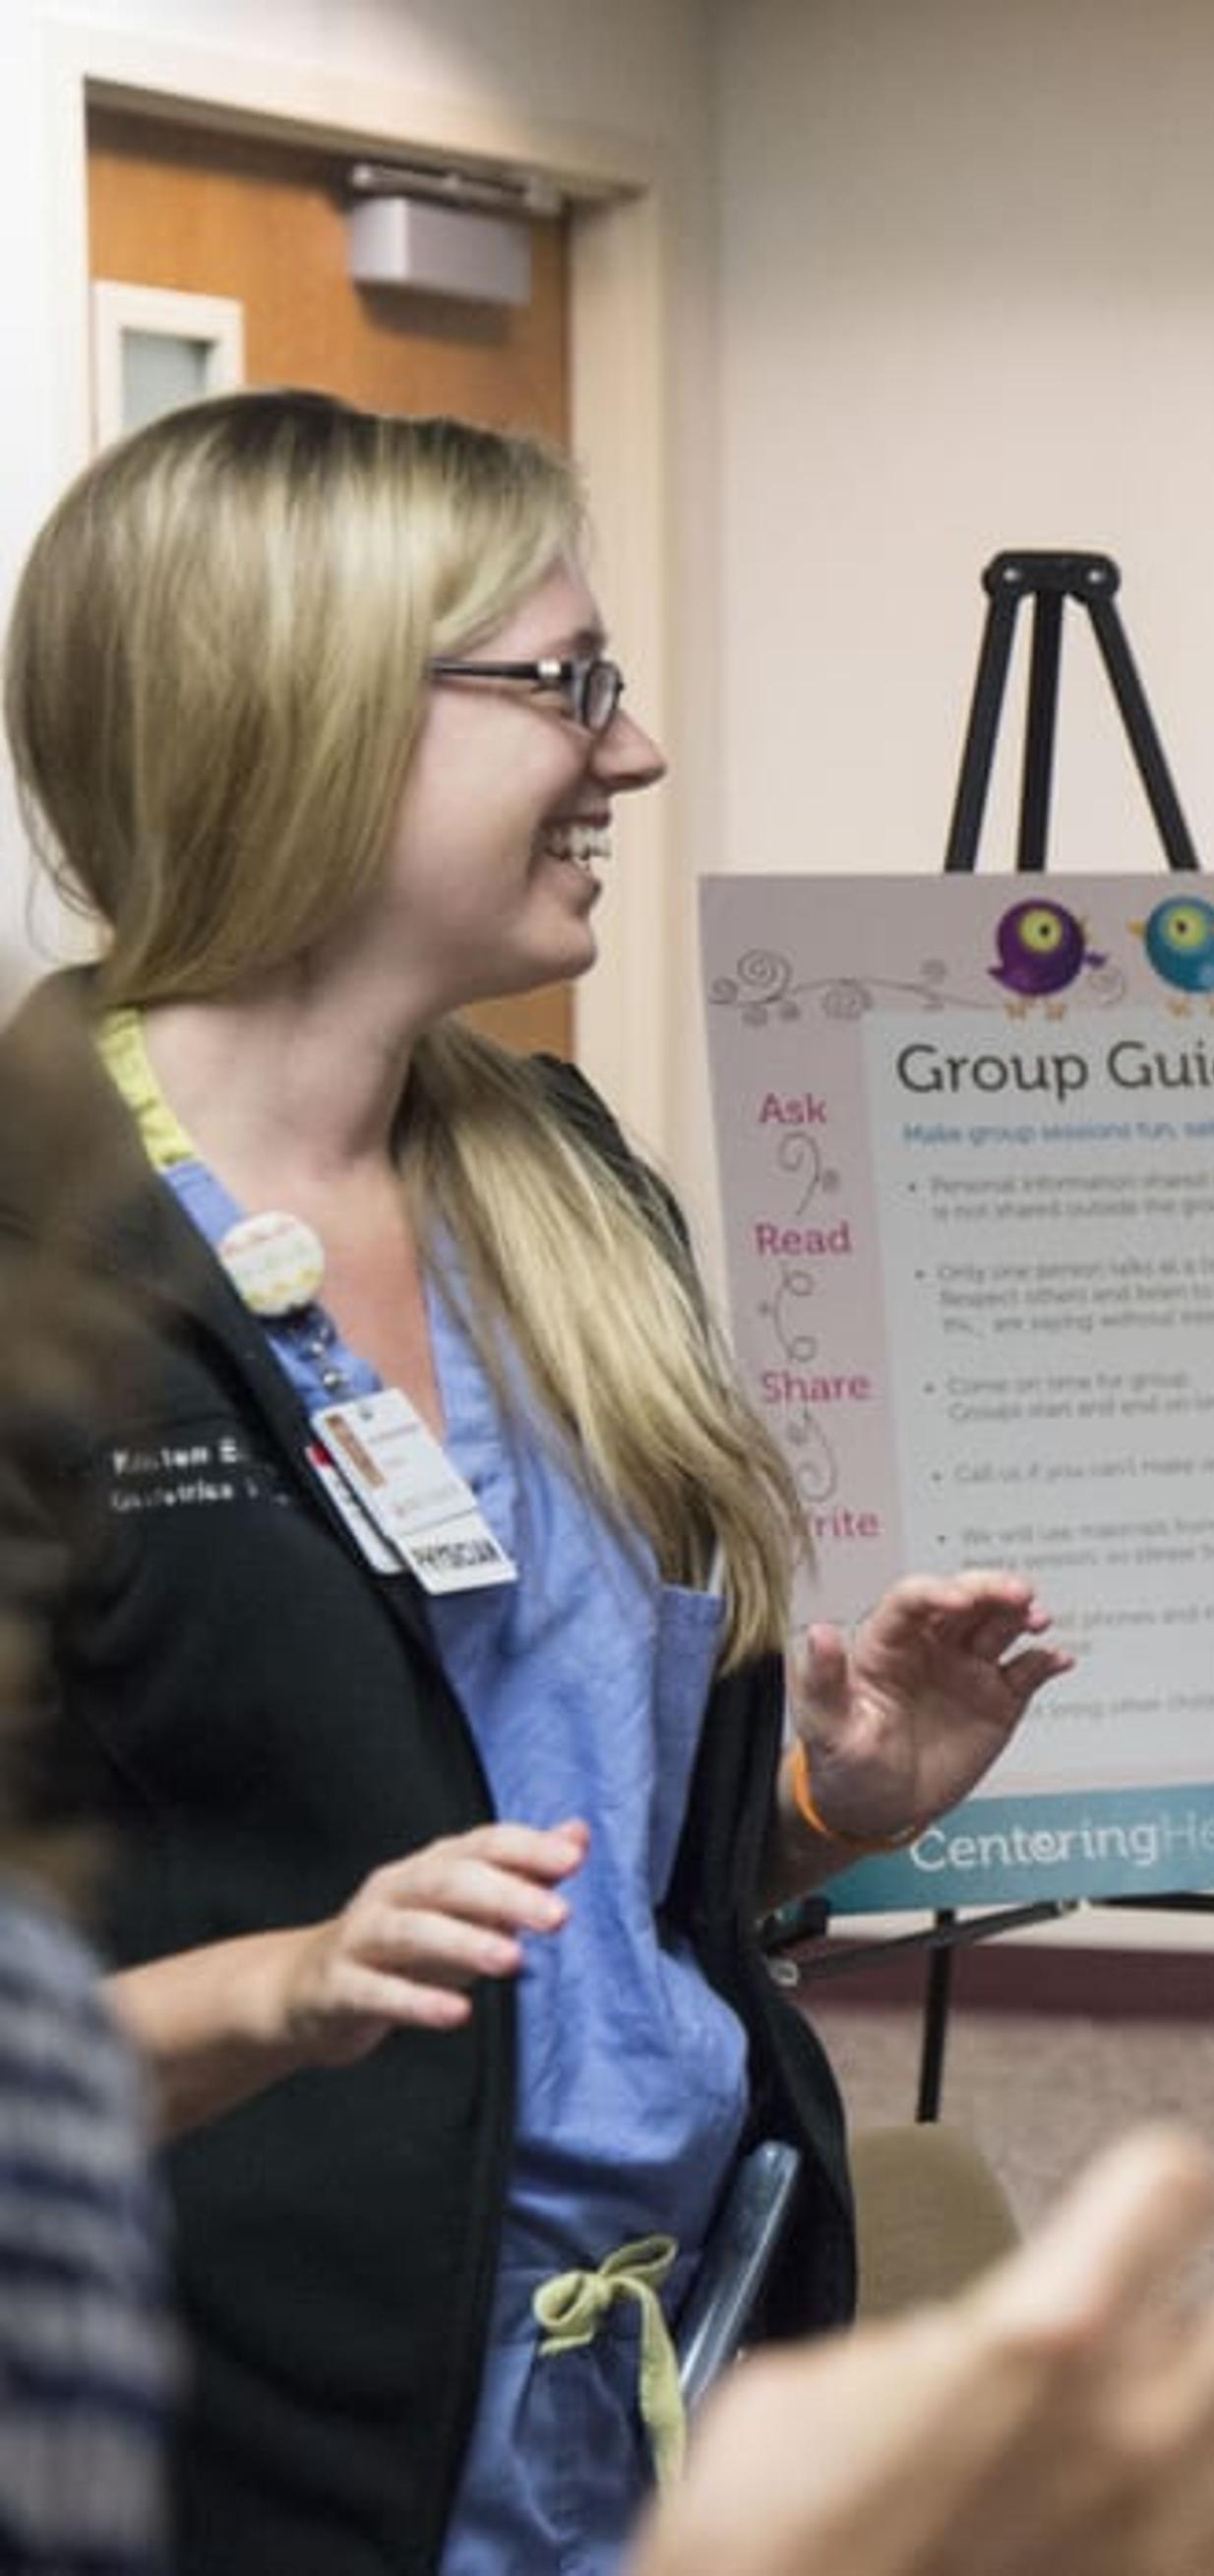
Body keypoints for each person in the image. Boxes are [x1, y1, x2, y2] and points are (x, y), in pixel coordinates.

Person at [0, 389, 1077, 2574]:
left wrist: (819, 1810)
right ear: (295, 715)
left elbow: (578, 1872)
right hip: (251, 2430)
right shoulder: (36, 1257)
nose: (636, 750)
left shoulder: (561, 1189)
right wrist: (280, 1988)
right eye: (565, 685)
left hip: (676, 2365)